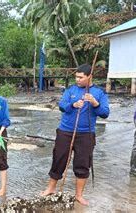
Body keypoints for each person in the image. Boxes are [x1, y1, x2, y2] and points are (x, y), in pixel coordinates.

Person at [40, 64, 110, 205]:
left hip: (86, 134)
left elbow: (105, 113)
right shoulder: (71, 89)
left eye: (80, 77)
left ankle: (79, 195)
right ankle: (51, 188)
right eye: (76, 77)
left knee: (82, 163)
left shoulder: (99, 92)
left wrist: (95, 103)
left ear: (90, 76)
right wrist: (73, 105)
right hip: (65, 131)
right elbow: (61, 106)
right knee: (59, 159)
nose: (77, 80)